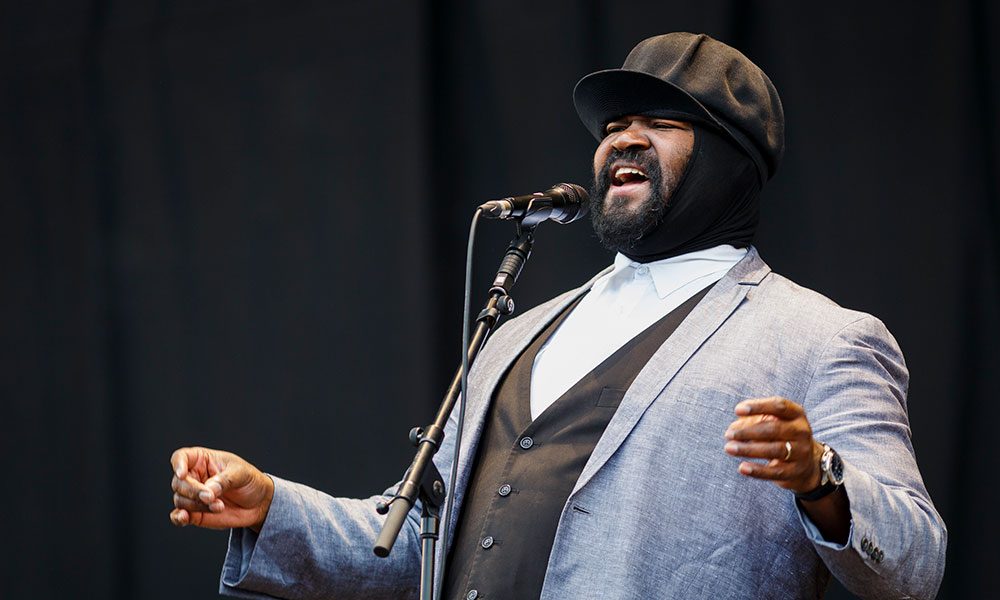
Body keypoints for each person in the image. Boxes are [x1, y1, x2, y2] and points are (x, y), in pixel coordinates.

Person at [170, 33, 946, 599]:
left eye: (663, 123)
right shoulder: (516, 332)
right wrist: (269, 503)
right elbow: (412, 540)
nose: (624, 138)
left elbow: (914, 562)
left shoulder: (820, 338)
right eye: (612, 125)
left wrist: (821, 477)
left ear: (733, 158)